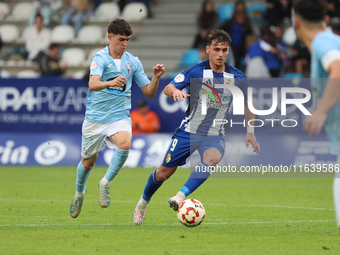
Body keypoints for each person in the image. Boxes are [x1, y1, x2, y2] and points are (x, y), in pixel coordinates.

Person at [133, 29, 259, 225]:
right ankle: (143, 202)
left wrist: (250, 131)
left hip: (214, 134)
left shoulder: (237, 76)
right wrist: (175, 91)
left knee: (213, 158)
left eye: (224, 50)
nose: (220, 54)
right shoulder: (196, 71)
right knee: (163, 173)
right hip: (189, 132)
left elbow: (248, 104)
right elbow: (169, 87)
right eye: (216, 49)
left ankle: (180, 196)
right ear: (207, 49)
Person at [69, 18, 164, 218]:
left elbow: (148, 92)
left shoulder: (133, 61)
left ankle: (105, 183)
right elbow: (92, 84)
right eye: (121, 39)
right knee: (88, 162)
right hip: (96, 118)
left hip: (119, 116)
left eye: (128, 40)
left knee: (125, 142)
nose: (124, 43)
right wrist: (110, 82)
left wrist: (155, 77)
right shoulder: (100, 58)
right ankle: (79, 192)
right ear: (110, 37)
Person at [293, 0, 340, 229]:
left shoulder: (323, 42)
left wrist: (321, 111)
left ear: (296, 22)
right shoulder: (330, 41)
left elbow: (338, 68)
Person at [220, 0, 253, 70]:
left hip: (241, 47)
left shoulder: (246, 24)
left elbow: (250, 34)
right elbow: (221, 30)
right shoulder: (230, 23)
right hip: (232, 46)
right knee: (233, 62)